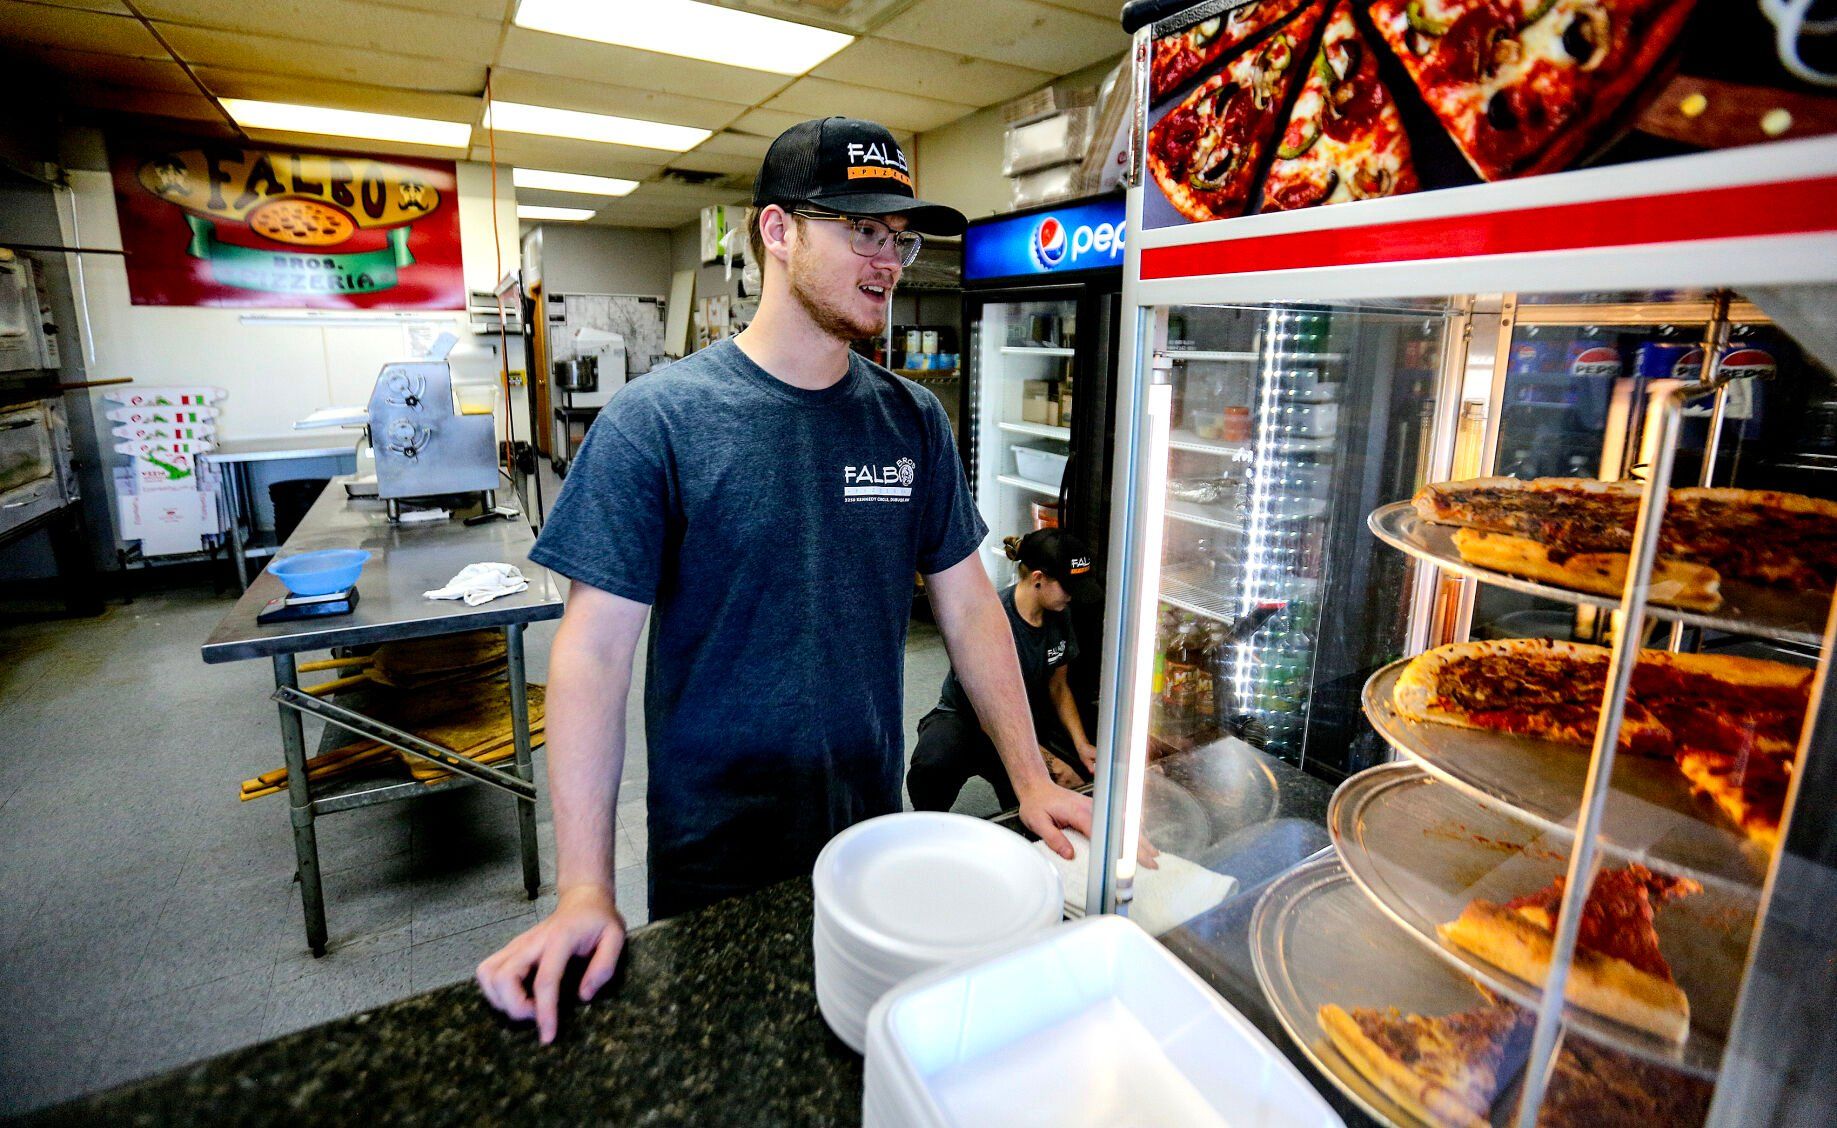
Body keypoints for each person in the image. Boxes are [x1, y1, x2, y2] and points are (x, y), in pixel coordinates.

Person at [475, 117, 1096, 1043]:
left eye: (898, 237)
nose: (887, 259)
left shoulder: (911, 421)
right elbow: (594, 657)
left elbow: (969, 605)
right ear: (776, 231)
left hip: (867, 825)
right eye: (860, 231)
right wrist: (584, 889)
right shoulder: (660, 421)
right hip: (714, 846)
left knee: (872, 1053)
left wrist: (1029, 777)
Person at [908, 530, 1104, 811]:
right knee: (933, 765)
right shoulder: (991, 620)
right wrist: (1046, 762)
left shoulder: (1060, 614)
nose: (1073, 597)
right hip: (969, 720)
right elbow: (990, 716)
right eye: (1068, 588)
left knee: (1047, 806)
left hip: (1022, 718)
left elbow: (1059, 687)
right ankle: (927, 824)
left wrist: (1082, 744)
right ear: (1038, 579)